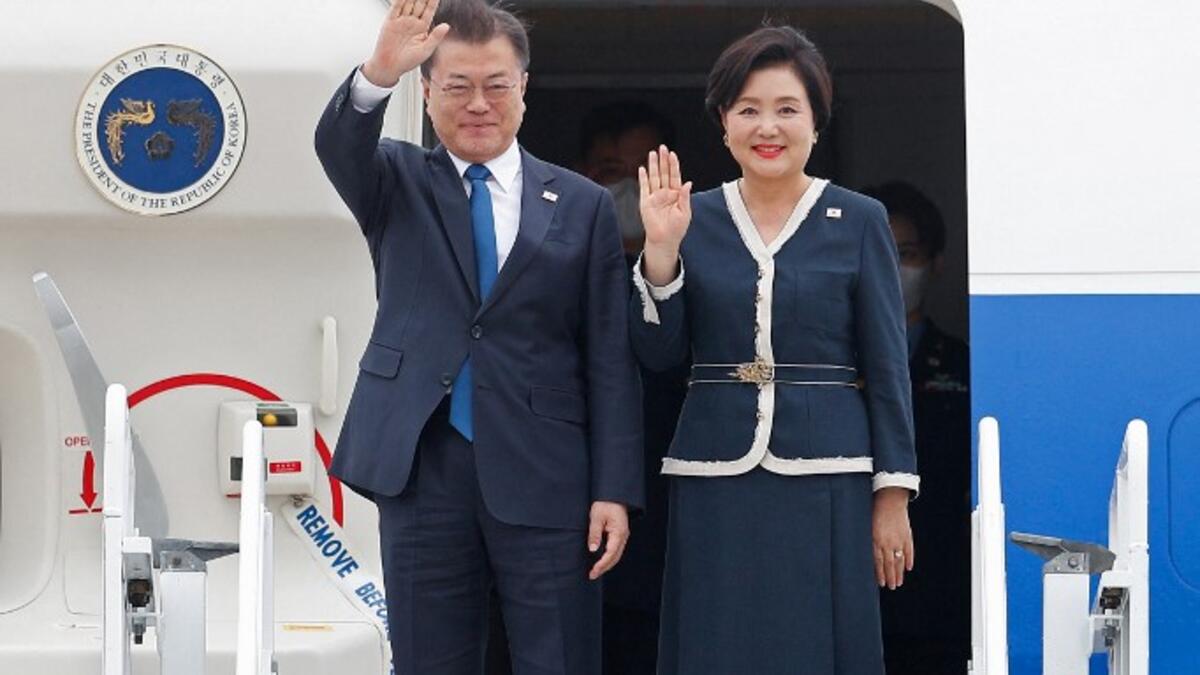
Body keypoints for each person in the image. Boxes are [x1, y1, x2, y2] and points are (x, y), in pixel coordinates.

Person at [314, 1, 643, 673]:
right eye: (458, 86)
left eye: (496, 85)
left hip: (547, 468)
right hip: (423, 460)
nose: (478, 103)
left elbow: (609, 355)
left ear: (523, 87)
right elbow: (337, 145)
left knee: (561, 656)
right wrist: (379, 71)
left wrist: (613, 487)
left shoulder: (581, 203)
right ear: (428, 92)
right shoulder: (397, 179)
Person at [630, 26, 919, 674]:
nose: (769, 126)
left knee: (819, 644)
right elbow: (657, 355)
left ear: (817, 122)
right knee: (716, 641)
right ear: (724, 123)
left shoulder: (860, 218)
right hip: (714, 474)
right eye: (749, 109)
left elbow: (888, 365)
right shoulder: (689, 216)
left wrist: (892, 493)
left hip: (830, 475)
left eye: (788, 108)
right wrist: (660, 251)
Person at [866, 181, 971, 674]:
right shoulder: (823, 362)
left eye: (905, 253)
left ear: (935, 263)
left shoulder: (967, 366)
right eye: (878, 252)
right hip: (853, 587)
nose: (892, 267)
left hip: (941, 592)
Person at [576, 102, 677, 256]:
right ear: (582, 174)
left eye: (646, 169)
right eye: (612, 171)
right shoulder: (559, 265)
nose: (630, 183)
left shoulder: (700, 263)